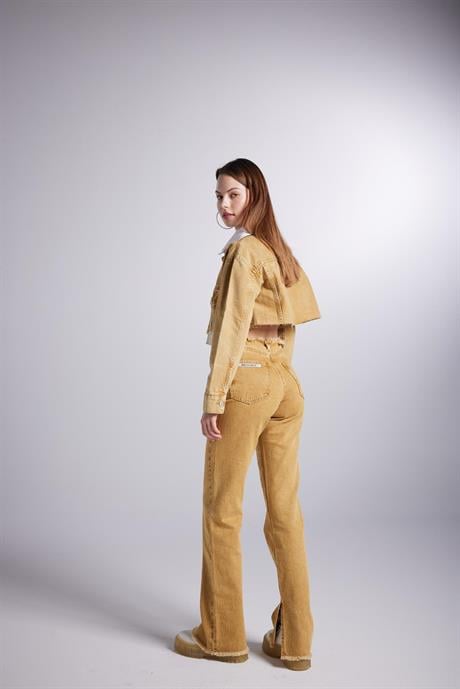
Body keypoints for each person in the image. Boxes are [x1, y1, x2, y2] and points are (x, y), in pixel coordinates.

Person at [174, 158, 321, 671]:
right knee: (285, 514)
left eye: (233, 194)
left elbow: (233, 328)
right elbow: (290, 326)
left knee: (222, 511)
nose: (223, 204)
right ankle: (295, 642)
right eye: (218, 196)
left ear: (255, 195)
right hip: (285, 385)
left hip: (247, 384)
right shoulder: (280, 250)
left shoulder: (243, 253)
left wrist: (215, 398)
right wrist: (278, 378)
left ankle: (221, 638)